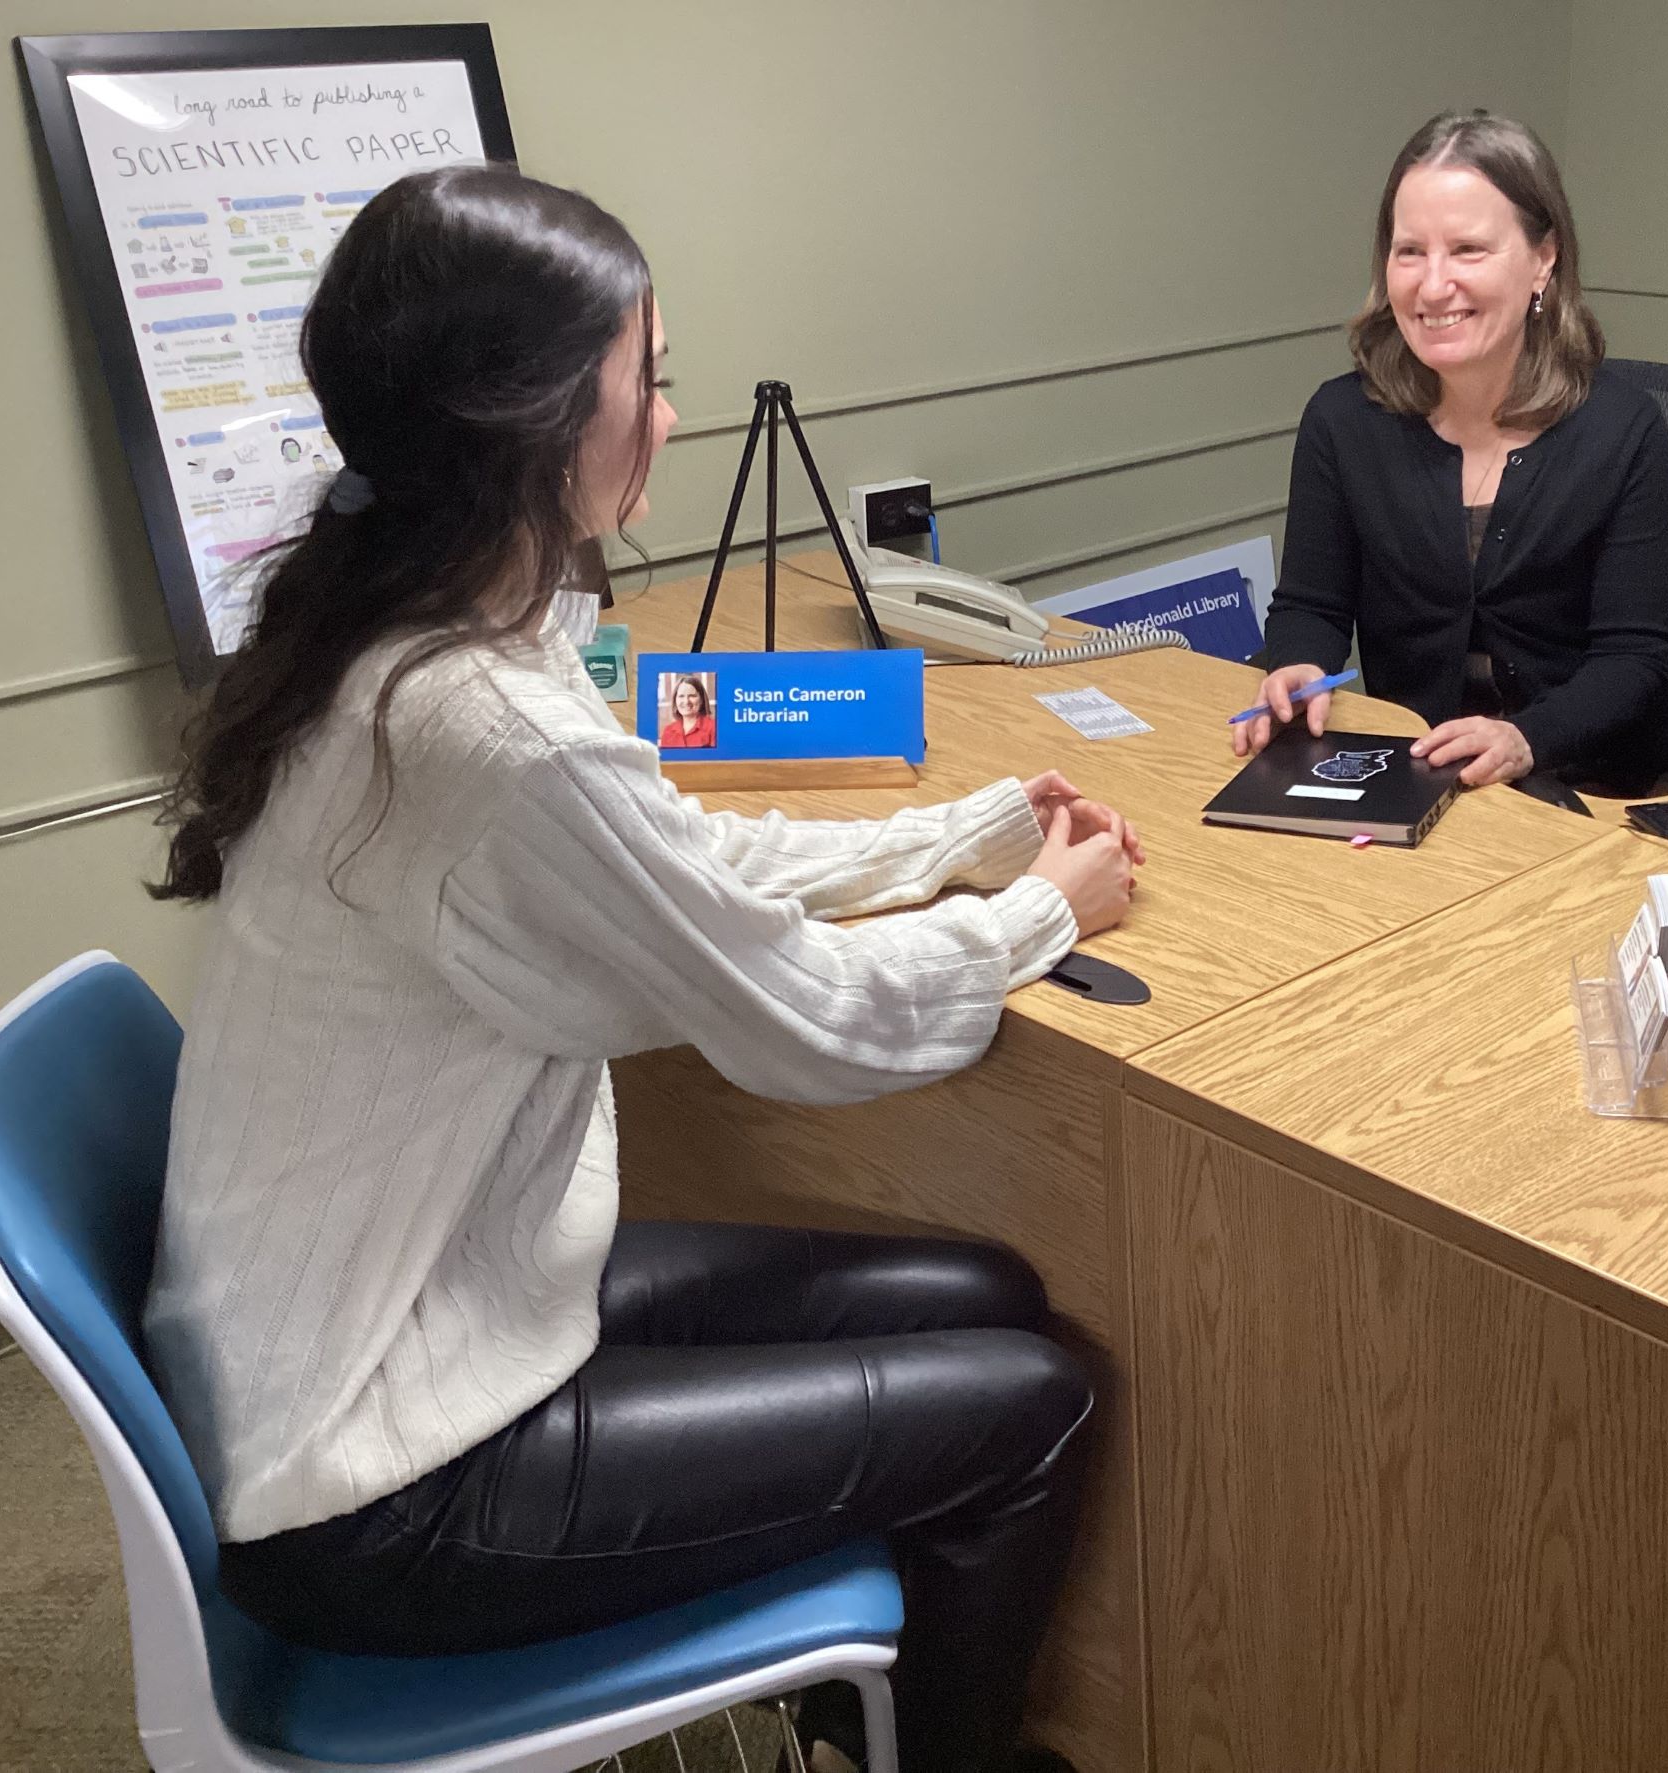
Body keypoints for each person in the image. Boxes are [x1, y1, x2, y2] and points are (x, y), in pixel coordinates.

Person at [142, 165, 1139, 1773]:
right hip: (379, 1483)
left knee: (987, 1295)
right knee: (1033, 1404)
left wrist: (953, 839)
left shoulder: (415, 634)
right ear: (536, 416)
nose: (669, 414)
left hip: (419, 1316)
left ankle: (848, 1708)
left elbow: (667, 874)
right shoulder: (485, 727)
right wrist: (1044, 917)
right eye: (649, 376)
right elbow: (804, 1017)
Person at [1237, 110, 1668, 799]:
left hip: (1597, 785)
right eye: (1410, 250)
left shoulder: (1622, 427)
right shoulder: (1341, 420)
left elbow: (1633, 661)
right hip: (1422, 777)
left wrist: (1523, 738)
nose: (1432, 284)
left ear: (1544, 259)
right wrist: (1298, 664)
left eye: (1468, 250)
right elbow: (1313, 604)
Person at [658, 670, 717, 747]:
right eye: (681, 696)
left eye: (692, 696)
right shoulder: (668, 732)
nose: (686, 701)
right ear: (675, 700)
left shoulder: (714, 728)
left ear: (701, 700)